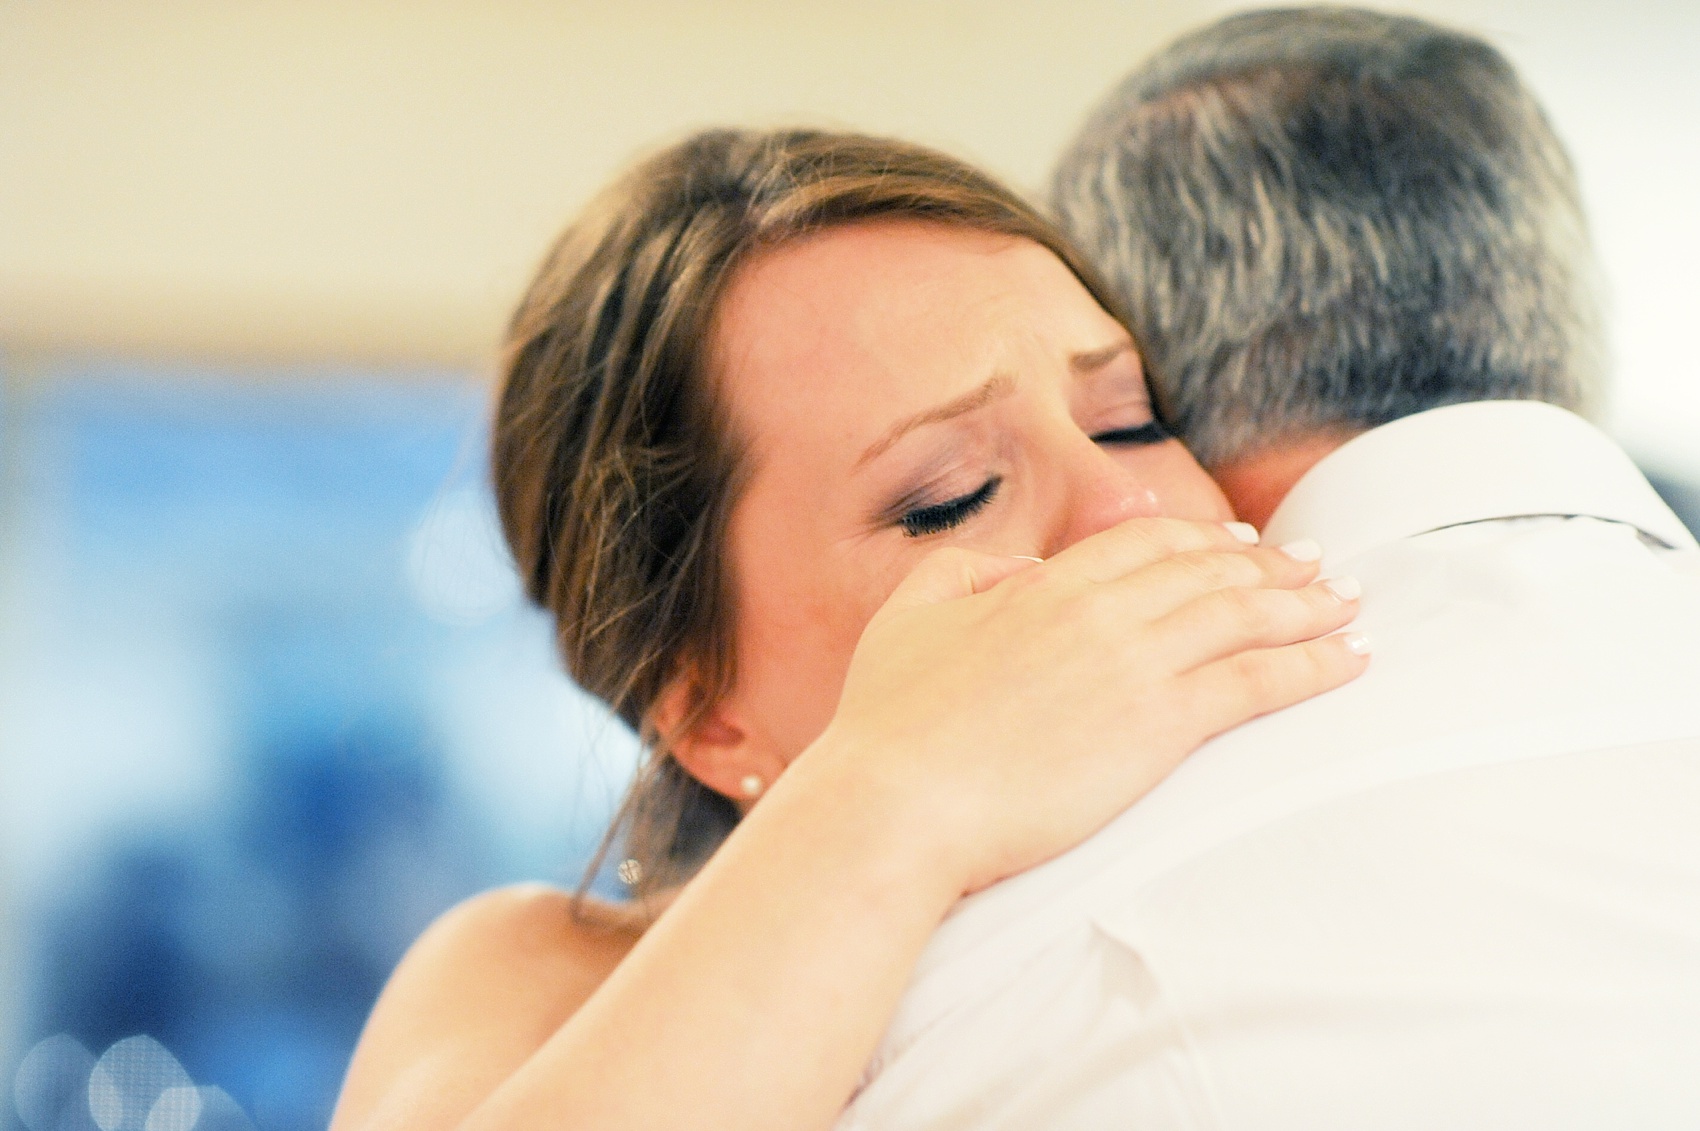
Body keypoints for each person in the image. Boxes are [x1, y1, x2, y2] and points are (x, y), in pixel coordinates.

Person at [327, 130, 1370, 1131]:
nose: (1126, 505)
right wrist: (902, 785)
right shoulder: (541, 979)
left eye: (1129, 420)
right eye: (948, 496)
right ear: (708, 721)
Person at [836, 9, 1700, 1129]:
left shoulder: (931, 991)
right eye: (945, 498)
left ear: (1149, 374)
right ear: (1568, 301)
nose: (1112, 507)